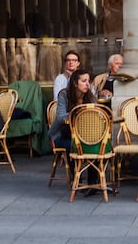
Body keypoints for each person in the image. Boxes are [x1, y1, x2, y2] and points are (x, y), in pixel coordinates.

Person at [47, 68, 101, 196]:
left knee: (95, 145)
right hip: (64, 134)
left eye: (88, 81)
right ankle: (77, 179)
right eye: (84, 81)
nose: (88, 84)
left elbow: (97, 114)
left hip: (84, 134)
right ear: (75, 83)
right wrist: (77, 112)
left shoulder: (90, 96)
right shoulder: (64, 95)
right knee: (72, 145)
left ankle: (93, 183)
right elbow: (60, 118)